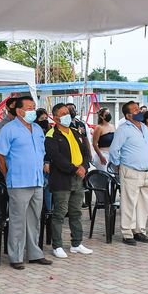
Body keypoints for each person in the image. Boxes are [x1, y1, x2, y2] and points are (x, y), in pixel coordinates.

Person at [0, 95, 51, 269]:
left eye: (33, 107)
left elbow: (41, 153)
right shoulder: (9, 129)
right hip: (18, 181)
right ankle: (16, 256)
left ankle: (34, 254)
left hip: (37, 180)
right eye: (29, 108)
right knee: (18, 220)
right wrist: (7, 174)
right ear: (19, 111)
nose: (32, 111)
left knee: (34, 219)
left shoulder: (37, 128)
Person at [45, 104, 94, 258]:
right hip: (62, 179)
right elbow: (56, 158)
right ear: (55, 118)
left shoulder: (75, 132)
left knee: (76, 212)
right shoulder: (51, 135)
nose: (67, 115)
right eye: (63, 113)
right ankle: (57, 245)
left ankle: (76, 243)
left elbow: (86, 152)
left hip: (78, 178)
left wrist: (84, 167)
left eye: (67, 112)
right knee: (60, 213)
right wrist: (75, 169)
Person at [109, 101, 148, 245]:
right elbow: (114, 150)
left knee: (143, 203)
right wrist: (118, 165)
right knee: (129, 203)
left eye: (139, 109)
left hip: (146, 171)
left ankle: (139, 231)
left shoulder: (144, 127)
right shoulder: (123, 129)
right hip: (130, 170)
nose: (139, 112)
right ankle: (127, 233)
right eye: (135, 110)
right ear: (128, 115)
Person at [91, 108, 115, 172]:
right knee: (104, 175)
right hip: (103, 154)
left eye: (109, 113)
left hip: (112, 154)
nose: (109, 115)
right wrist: (101, 156)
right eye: (107, 114)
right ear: (102, 117)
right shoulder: (99, 128)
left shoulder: (112, 126)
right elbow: (94, 144)